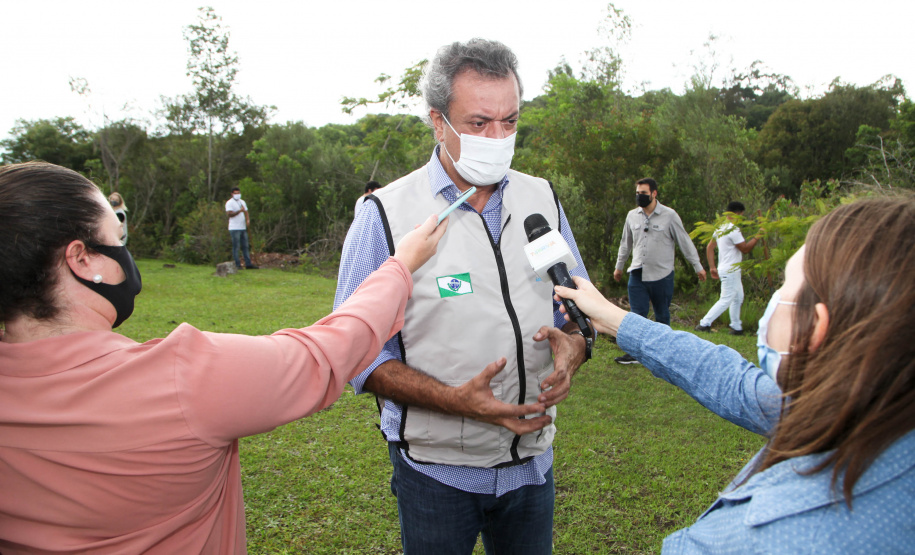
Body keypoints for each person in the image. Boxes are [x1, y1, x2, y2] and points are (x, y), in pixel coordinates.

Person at [0, 161, 448, 554]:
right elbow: (325, 353)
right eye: (115, 238)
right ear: (82, 259)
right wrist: (400, 265)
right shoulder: (181, 380)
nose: (125, 251)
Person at [334, 38, 591, 554]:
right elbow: (356, 354)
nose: (498, 137)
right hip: (437, 476)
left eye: (510, 122)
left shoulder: (542, 197)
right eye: (478, 124)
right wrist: (458, 403)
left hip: (533, 468)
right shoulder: (386, 214)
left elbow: (576, 304)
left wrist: (575, 346)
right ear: (438, 122)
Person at [554, 197, 915, 553]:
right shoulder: (875, 406)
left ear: (815, 327)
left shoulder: (765, 540)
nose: (775, 302)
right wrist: (614, 319)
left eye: (784, 289)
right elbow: (726, 378)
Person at [613, 178, 706, 364]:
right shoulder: (632, 215)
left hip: (662, 275)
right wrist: (619, 266)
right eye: (638, 193)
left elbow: (684, 241)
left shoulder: (669, 215)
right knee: (637, 315)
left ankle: (664, 354)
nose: (640, 197)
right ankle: (635, 354)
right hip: (637, 273)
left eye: (644, 194)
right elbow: (625, 243)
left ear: (654, 193)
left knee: (662, 314)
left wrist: (698, 266)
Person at [694, 201, 761, 335]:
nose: (742, 218)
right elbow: (745, 249)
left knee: (738, 297)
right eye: (741, 215)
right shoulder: (733, 229)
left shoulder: (721, 228)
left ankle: (736, 327)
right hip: (730, 270)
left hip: (728, 269)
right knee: (726, 298)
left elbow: (710, 248)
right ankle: (704, 324)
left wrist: (713, 267)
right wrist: (758, 235)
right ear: (736, 214)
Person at [225, 186, 256, 269]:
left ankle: (248, 264)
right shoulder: (229, 203)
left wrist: (248, 220)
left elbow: (246, 211)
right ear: (232, 194)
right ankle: (237, 265)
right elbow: (229, 214)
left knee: (245, 246)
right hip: (234, 228)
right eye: (235, 193)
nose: (237, 195)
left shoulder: (242, 202)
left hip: (243, 227)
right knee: (236, 246)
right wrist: (239, 211)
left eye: (238, 193)